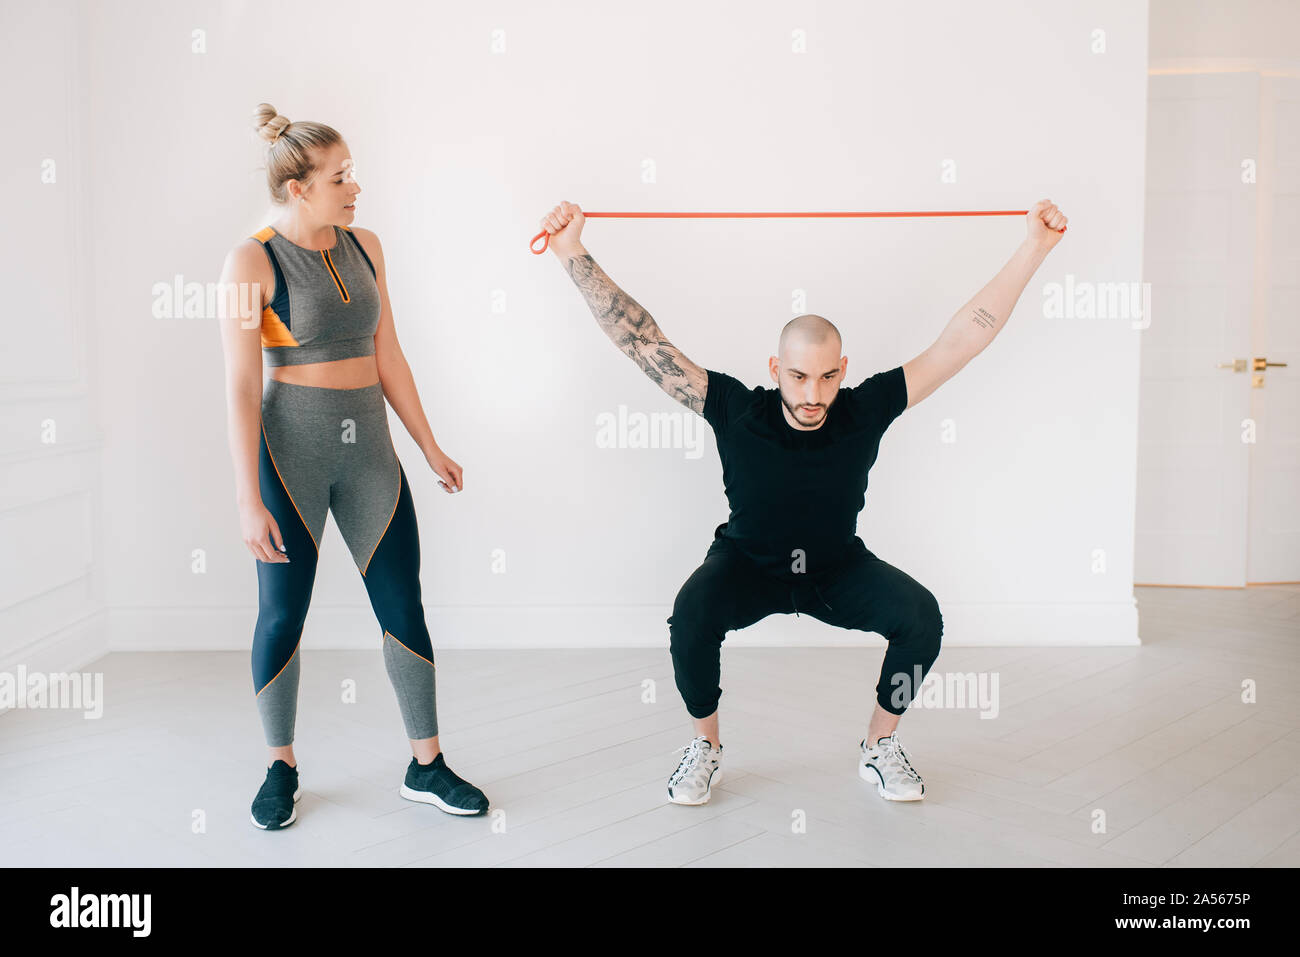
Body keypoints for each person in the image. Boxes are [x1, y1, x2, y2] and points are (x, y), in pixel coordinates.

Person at [538, 197, 1068, 804]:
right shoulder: (736, 408)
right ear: (776, 368)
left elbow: (960, 342)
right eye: (797, 376)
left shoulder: (864, 408)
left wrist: (1034, 248)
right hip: (748, 567)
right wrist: (571, 251)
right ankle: (704, 747)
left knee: (921, 618)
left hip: (835, 570)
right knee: (690, 618)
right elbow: (641, 341)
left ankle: (878, 745)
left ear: (842, 370)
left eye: (826, 377)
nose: (813, 394)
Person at [216, 103, 488, 829]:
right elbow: (242, 386)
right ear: (299, 186)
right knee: (283, 615)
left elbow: (388, 353)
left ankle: (426, 763)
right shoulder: (253, 260)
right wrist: (249, 497)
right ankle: (281, 765)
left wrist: (429, 444)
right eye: (341, 176)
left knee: (404, 604)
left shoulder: (366, 245)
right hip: (290, 456)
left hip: (371, 454)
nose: (355, 186)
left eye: (352, 173)